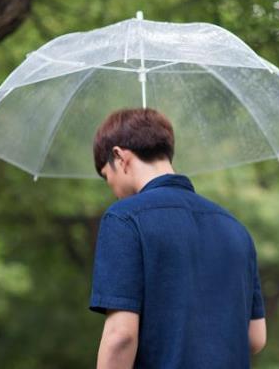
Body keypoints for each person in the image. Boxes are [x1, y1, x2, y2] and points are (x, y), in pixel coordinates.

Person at [89, 108, 266, 369]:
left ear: (119, 156)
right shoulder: (236, 229)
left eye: (107, 176)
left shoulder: (124, 219)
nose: (112, 189)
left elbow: (121, 336)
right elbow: (256, 337)